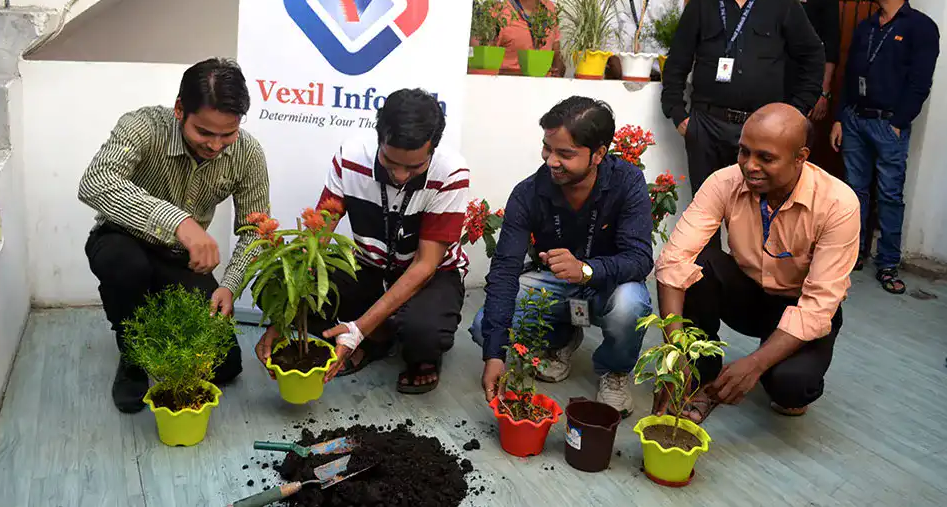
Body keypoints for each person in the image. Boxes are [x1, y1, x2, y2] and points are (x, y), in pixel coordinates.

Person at [79, 58, 269, 413]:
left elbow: (255, 231)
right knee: (124, 264)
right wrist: (180, 223)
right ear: (180, 109)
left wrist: (229, 286)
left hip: (180, 260)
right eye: (204, 132)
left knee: (225, 366)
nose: (216, 145)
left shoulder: (248, 153)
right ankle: (132, 354)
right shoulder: (142, 126)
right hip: (121, 240)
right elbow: (95, 182)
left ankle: (155, 314)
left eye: (227, 134)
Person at [254, 89, 469, 394]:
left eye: (413, 168)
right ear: (379, 137)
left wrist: (357, 329)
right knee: (277, 290)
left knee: (424, 333)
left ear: (433, 148)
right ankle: (378, 336)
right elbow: (318, 239)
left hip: (430, 275)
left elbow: (425, 265)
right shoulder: (351, 157)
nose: (400, 175)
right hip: (370, 268)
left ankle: (405, 347)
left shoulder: (451, 172)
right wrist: (283, 320)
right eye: (390, 162)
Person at [654, 103, 859, 422]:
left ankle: (777, 361)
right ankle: (701, 375)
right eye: (744, 152)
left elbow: (818, 307)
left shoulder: (838, 204)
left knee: (792, 388)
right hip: (747, 295)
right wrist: (674, 351)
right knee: (700, 263)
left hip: (799, 304)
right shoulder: (723, 182)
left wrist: (755, 364)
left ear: (800, 157)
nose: (750, 166)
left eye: (766, 157)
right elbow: (672, 262)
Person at [470, 97, 654, 415]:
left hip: (607, 285)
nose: (551, 161)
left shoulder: (627, 182)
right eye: (547, 148)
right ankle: (560, 340)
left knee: (631, 304)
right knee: (482, 327)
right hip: (554, 285)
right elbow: (505, 270)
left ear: (599, 154)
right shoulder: (528, 193)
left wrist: (586, 270)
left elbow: (639, 259)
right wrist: (495, 354)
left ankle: (615, 371)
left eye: (565, 154)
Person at [661, 0, 826, 200]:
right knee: (706, 208)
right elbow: (677, 62)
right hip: (707, 126)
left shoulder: (782, 3)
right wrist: (678, 114)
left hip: (763, 129)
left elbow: (812, 55)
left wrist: (795, 112)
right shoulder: (702, 5)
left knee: (757, 209)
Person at [830, 0, 940, 294]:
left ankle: (888, 263)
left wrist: (898, 123)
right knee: (854, 191)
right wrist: (840, 117)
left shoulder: (921, 27)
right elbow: (850, 74)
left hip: (887, 124)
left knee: (890, 195)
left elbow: (920, 83)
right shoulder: (867, 26)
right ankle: (854, 253)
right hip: (855, 119)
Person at [775, 0, 841, 123]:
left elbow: (830, 43)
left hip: (801, 81)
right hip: (760, 78)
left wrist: (824, 92)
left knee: (792, 135)